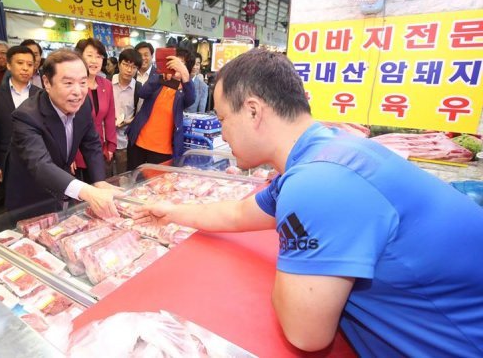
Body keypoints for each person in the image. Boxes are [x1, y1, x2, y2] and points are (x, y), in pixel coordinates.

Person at [135, 49, 483, 356]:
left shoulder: (318, 182)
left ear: (254, 111)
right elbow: (241, 211)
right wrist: (173, 213)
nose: (222, 133)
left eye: (224, 119)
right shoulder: (327, 150)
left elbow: (305, 333)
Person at [4, 49, 121, 219]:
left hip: (63, 189)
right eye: (68, 83)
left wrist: (99, 181)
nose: (78, 92)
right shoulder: (26, 116)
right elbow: (40, 165)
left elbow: (91, 143)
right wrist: (87, 191)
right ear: (47, 82)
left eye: (82, 82)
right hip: (31, 195)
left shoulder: (83, 103)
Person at [126, 47, 195, 170]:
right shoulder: (159, 80)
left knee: (156, 185)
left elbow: (191, 99)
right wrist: (160, 77)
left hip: (162, 149)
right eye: (173, 62)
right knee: (133, 179)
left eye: (180, 64)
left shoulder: (184, 90)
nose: (175, 66)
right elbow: (142, 92)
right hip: (139, 142)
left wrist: (184, 75)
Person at [0, 45, 41, 173]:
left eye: (29, 64)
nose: (25, 68)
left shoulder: (41, 95)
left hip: (36, 160)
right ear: (9, 65)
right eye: (20, 63)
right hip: (6, 161)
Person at [72, 38, 117, 182]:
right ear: (79, 57)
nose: (94, 61)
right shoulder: (73, 85)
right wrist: (69, 155)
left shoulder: (107, 85)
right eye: (90, 55)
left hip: (97, 149)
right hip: (75, 148)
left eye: (99, 57)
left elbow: (110, 118)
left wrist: (111, 145)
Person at [112, 48, 142, 174]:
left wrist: (129, 121)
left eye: (134, 67)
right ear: (119, 64)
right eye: (126, 65)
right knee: (103, 176)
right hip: (104, 140)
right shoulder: (107, 83)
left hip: (125, 141)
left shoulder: (139, 88)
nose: (129, 70)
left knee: (122, 177)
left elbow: (140, 115)